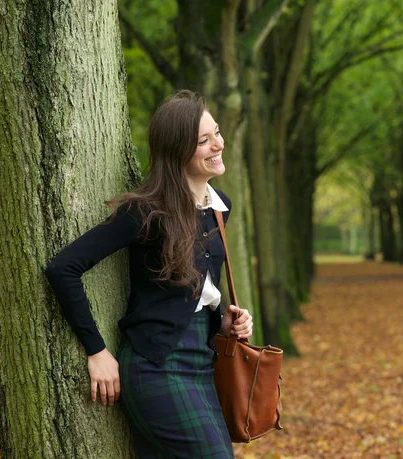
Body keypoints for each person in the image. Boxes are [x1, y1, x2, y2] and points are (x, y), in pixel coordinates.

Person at [44, 89, 253, 458]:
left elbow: (198, 286)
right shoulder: (146, 213)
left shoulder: (219, 209)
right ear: (176, 151)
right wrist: (96, 350)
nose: (218, 144)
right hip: (157, 367)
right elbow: (64, 268)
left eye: (216, 132)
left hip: (204, 363)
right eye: (203, 140)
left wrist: (223, 322)